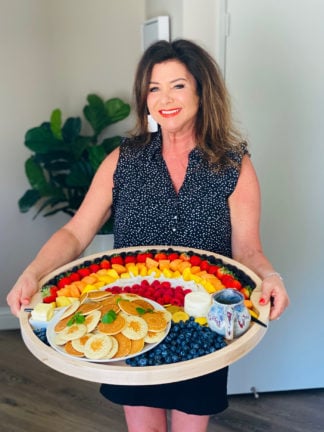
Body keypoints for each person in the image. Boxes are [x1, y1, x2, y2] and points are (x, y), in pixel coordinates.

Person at [7, 39, 289, 432]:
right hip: (128, 322)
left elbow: (248, 251)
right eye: (154, 88)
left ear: (201, 92)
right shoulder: (123, 159)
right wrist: (32, 274)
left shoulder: (233, 165)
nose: (164, 98)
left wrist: (272, 278)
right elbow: (75, 232)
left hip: (201, 326)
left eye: (178, 85)